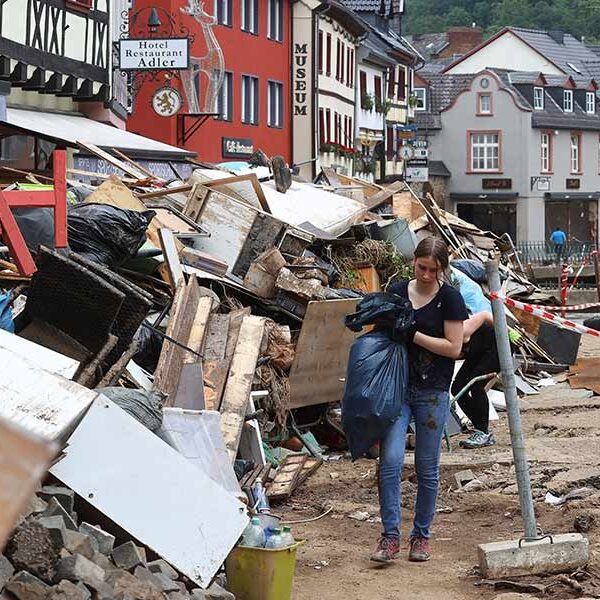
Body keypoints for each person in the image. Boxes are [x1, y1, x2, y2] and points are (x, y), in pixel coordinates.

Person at [371, 237, 468, 564]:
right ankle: (390, 537)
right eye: (421, 267)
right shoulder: (398, 292)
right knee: (391, 462)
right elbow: (381, 335)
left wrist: (414, 335)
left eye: (433, 270)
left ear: (442, 269)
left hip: (433, 391)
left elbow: (454, 348)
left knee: (427, 468)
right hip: (397, 388)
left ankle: (421, 537)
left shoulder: (450, 299)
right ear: (414, 262)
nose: (426, 274)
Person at [452, 311, 499, 449]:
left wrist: (506, 331)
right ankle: (480, 428)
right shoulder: (439, 339)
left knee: (476, 385)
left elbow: (485, 315)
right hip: (477, 352)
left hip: (496, 347)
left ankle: (483, 432)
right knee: (458, 388)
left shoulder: (463, 330)